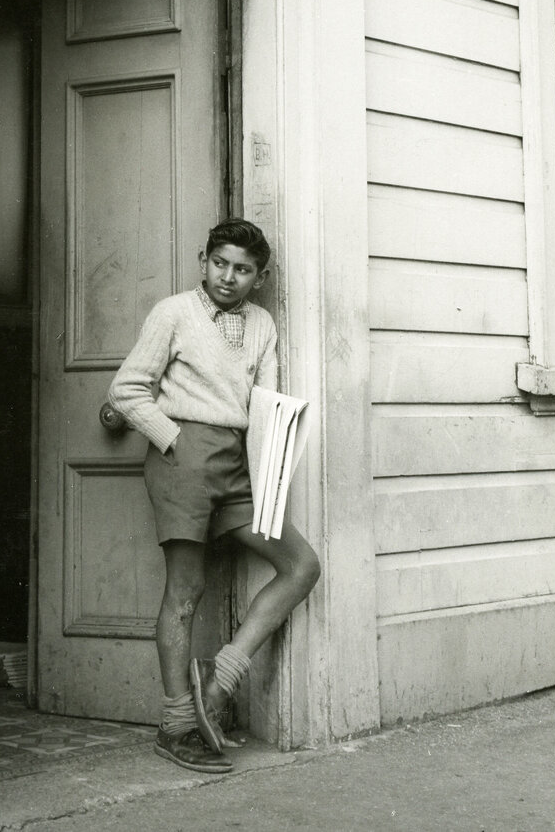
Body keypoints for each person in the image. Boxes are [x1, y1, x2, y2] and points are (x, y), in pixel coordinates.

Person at [106, 218, 321, 774]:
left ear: (259, 276)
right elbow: (127, 389)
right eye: (220, 264)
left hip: (240, 461)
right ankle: (176, 724)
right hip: (183, 455)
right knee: (186, 590)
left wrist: (269, 466)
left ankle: (219, 679)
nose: (229, 277)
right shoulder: (173, 312)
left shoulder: (263, 324)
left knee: (300, 566)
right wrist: (171, 438)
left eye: (243, 269)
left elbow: (266, 402)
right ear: (204, 261)